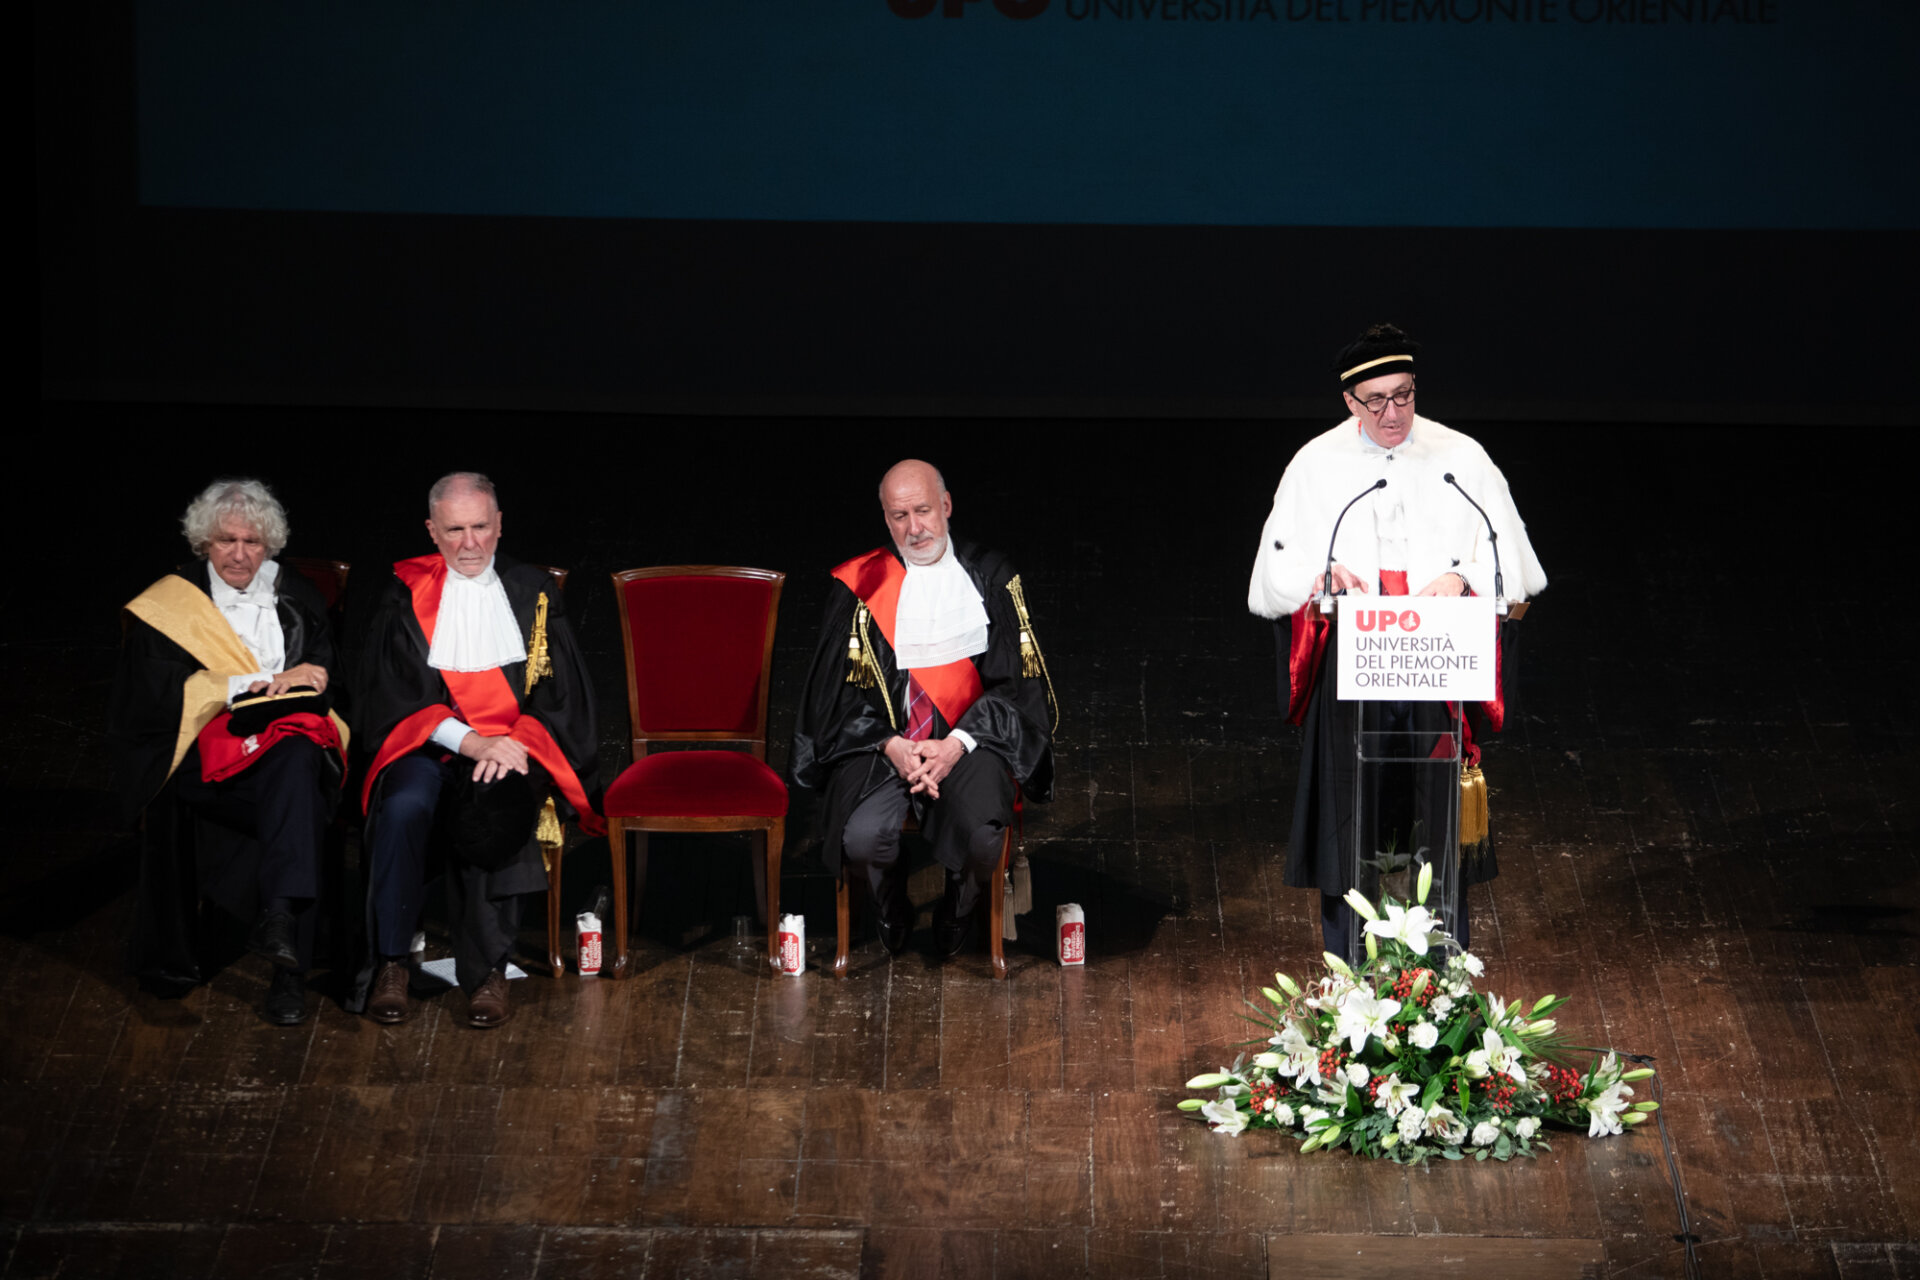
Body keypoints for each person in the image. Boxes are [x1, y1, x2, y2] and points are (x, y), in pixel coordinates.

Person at [1247, 324, 1547, 957]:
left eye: (1404, 396)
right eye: (1376, 401)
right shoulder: (1315, 464)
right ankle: (1349, 973)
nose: (1393, 414)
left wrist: (1462, 576)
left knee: (1437, 824)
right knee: (1348, 824)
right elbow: (1270, 580)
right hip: (1354, 662)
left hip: (1436, 658)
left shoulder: (1460, 459)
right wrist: (1319, 575)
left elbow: (1519, 563)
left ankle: (1443, 974)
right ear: (1350, 403)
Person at [354, 472, 602, 1028]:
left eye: (481, 528)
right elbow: (393, 696)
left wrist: (510, 743)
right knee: (402, 807)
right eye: (455, 530)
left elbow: (559, 694)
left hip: (511, 747)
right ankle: (390, 961)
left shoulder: (532, 591)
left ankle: (488, 968)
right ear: (432, 532)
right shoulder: (406, 592)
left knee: (496, 798)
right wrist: (468, 739)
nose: (469, 544)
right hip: (429, 745)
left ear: (499, 525)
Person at [792, 459, 1056, 959]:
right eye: (898, 516)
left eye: (923, 511)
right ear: (885, 519)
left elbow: (1019, 692)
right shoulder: (860, 587)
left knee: (983, 838)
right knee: (864, 837)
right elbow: (832, 699)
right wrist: (892, 744)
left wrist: (957, 744)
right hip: (881, 746)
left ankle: (960, 905)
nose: (914, 528)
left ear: (946, 506)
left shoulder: (992, 578)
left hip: (970, 743)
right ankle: (891, 905)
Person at [109, 479, 346, 1026]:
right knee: (299, 795)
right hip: (197, 750)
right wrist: (248, 684)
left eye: (252, 542)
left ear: (269, 545)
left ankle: (280, 931)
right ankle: (287, 953)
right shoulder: (171, 603)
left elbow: (330, 682)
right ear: (202, 543)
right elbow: (154, 700)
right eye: (225, 541)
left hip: (281, 746)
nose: (239, 555)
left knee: (296, 759)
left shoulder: (296, 594)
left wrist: (313, 675)